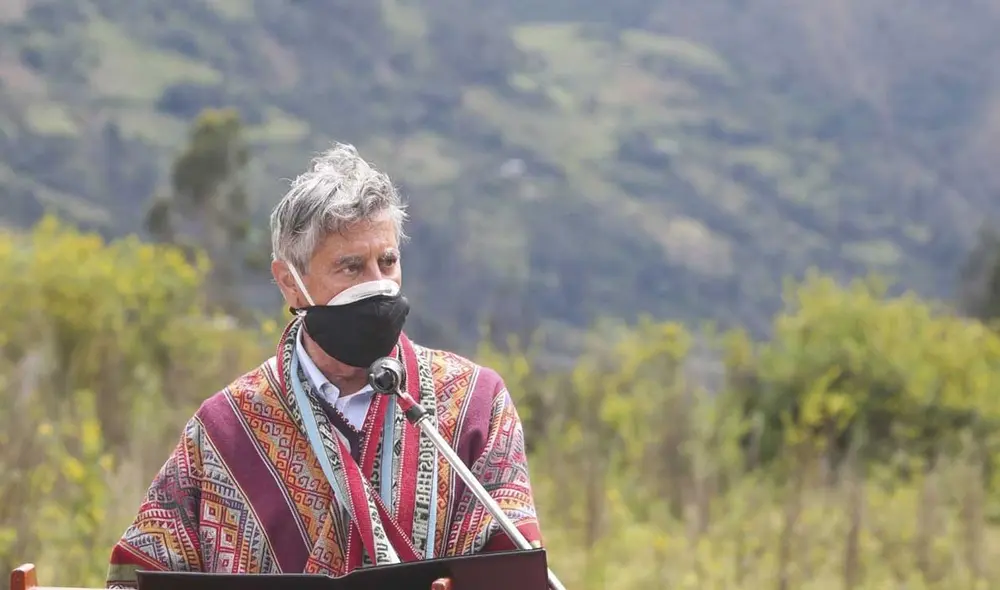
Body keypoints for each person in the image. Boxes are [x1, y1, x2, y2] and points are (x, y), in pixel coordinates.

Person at [106, 143, 543, 588]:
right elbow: (138, 576)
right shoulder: (224, 430)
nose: (377, 285)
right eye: (351, 268)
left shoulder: (476, 405)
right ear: (290, 284)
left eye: (387, 262)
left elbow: (511, 568)